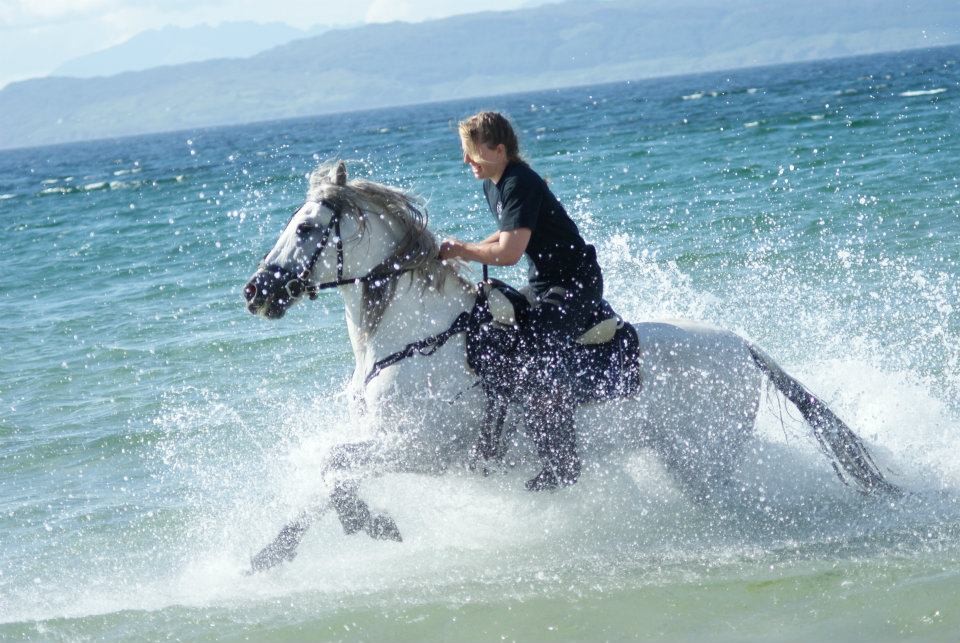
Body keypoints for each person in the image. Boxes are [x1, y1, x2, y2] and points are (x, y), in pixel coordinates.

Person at [439, 111, 605, 491]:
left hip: (576, 283)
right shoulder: (494, 182)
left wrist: (462, 249)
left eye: (472, 152)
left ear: (499, 150)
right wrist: (453, 250)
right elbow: (500, 239)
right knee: (489, 327)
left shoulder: (519, 182)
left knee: (536, 349)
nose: (467, 161)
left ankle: (562, 461)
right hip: (544, 283)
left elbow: (510, 252)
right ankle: (496, 436)